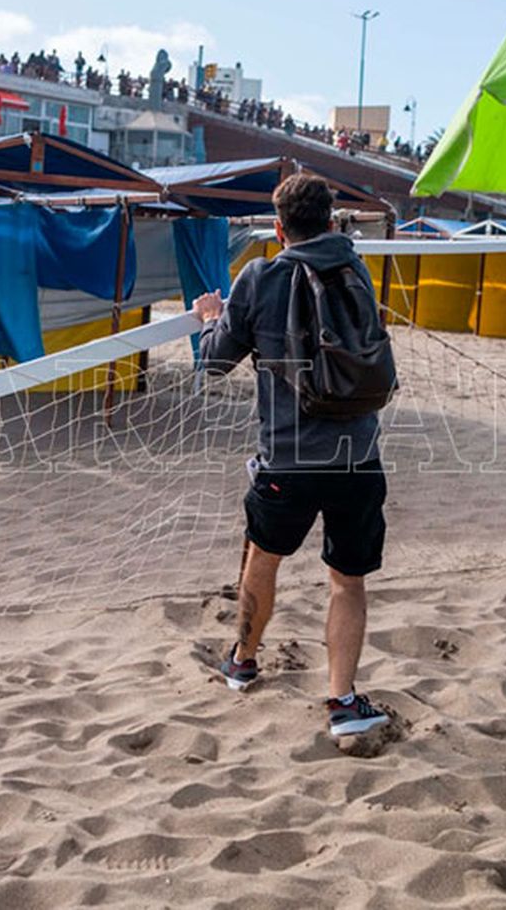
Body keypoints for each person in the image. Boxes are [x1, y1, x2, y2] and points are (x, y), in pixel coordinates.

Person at [191, 173, 392, 738]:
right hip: (358, 454)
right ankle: (342, 701)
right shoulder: (356, 268)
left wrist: (212, 319)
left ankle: (243, 660)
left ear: (279, 229)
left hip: (287, 455)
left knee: (265, 557)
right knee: (347, 581)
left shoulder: (260, 276)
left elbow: (214, 364)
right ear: (331, 222)